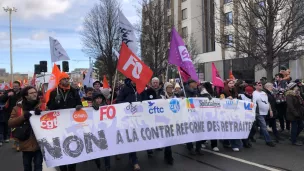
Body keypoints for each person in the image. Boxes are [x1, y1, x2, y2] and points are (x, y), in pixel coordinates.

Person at [47, 72, 82, 171]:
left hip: (71, 123)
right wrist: (55, 101)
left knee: (72, 145)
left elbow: (79, 103)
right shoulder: (54, 92)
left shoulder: (74, 91)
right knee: (61, 146)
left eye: (67, 78)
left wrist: (79, 106)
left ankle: (72, 168)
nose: (67, 80)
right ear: (60, 80)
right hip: (59, 124)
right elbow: (50, 107)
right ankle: (62, 168)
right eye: (64, 79)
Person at [8, 86, 44, 171]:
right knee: (27, 166)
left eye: (35, 92)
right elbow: (10, 123)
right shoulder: (18, 108)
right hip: (25, 142)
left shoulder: (42, 106)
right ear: (26, 96)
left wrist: (42, 113)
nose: (35, 94)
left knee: (38, 166)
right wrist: (23, 117)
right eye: (31, 93)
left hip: (39, 142)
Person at [116, 78, 144, 171]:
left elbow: (145, 100)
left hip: (138, 118)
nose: (135, 81)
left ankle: (133, 159)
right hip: (127, 118)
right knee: (128, 138)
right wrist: (128, 104)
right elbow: (118, 101)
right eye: (133, 79)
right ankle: (132, 159)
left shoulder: (141, 89)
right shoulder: (125, 89)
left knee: (133, 139)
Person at [87, 92, 111, 171]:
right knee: (96, 151)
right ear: (94, 99)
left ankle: (107, 166)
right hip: (94, 133)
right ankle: (98, 165)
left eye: (100, 98)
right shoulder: (90, 109)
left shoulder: (106, 107)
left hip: (105, 132)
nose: (99, 100)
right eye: (97, 98)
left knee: (106, 150)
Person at [220, 80, 243, 152]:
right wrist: (226, 99)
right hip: (226, 113)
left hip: (235, 113)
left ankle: (230, 143)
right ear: (227, 85)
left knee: (233, 129)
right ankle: (229, 143)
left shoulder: (236, 92)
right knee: (229, 128)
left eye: (233, 83)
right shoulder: (223, 92)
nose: (232, 84)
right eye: (230, 83)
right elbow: (221, 100)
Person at [253, 82, 276, 147]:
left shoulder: (264, 93)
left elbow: (267, 102)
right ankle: (268, 141)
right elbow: (254, 103)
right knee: (264, 126)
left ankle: (250, 136)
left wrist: (270, 110)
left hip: (265, 112)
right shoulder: (254, 93)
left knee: (255, 126)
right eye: (259, 85)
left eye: (261, 85)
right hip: (259, 113)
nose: (261, 86)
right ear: (255, 86)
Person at [184, 79, 204, 155]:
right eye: (195, 83)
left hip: (197, 114)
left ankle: (198, 148)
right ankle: (190, 147)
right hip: (188, 114)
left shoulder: (197, 90)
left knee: (198, 131)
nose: (196, 84)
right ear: (190, 84)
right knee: (190, 131)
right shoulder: (185, 91)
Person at [200, 82, 220, 152]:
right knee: (205, 129)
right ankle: (202, 141)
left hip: (213, 114)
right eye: (211, 86)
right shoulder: (202, 94)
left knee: (213, 129)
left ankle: (214, 145)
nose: (213, 87)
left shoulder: (213, 93)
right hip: (206, 115)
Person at [158, 82, 175, 164]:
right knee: (167, 137)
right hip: (164, 120)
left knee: (170, 138)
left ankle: (167, 154)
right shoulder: (161, 96)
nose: (170, 88)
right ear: (165, 88)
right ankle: (169, 157)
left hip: (172, 120)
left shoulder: (175, 96)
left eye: (171, 87)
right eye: (168, 87)